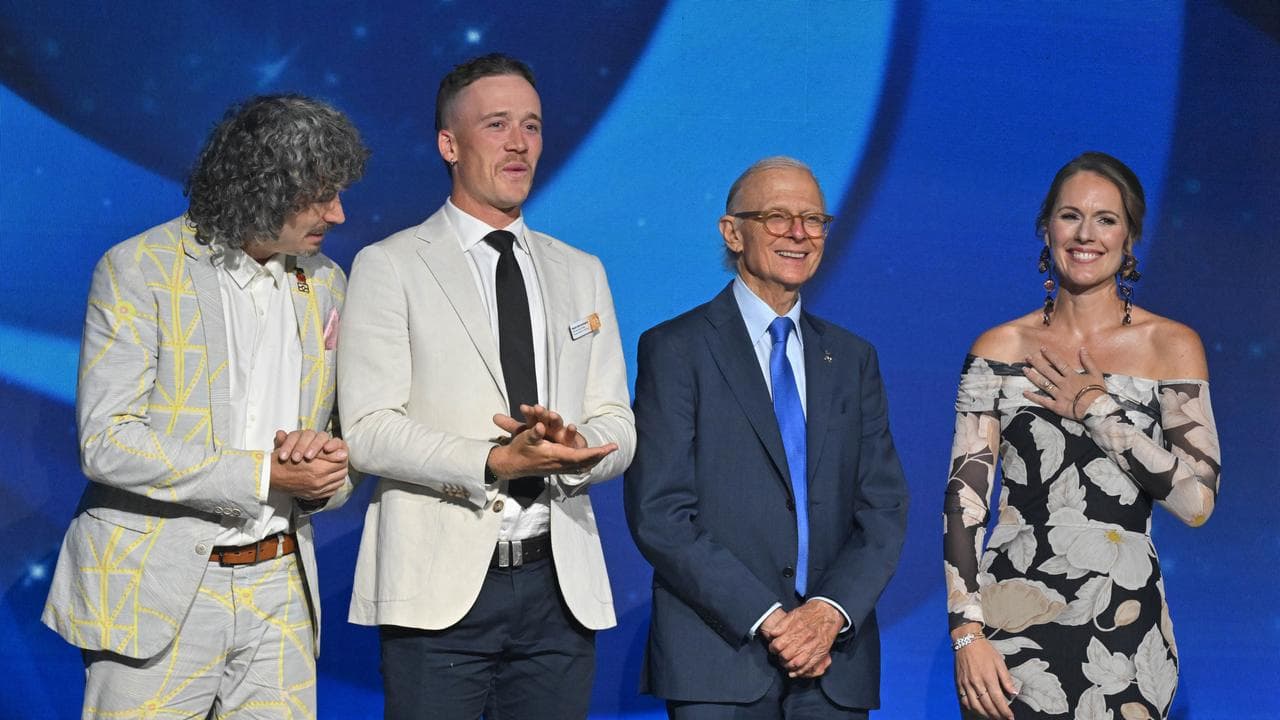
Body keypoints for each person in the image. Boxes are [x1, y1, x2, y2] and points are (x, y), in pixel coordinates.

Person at [41, 94, 369, 717]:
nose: (340, 213)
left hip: (280, 585)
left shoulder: (325, 281)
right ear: (265, 184)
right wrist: (264, 474)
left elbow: (336, 443)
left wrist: (327, 472)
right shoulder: (140, 268)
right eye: (322, 194)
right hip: (160, 587)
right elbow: (106, 439)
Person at [337, 53, 635, 719]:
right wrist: (492, 460)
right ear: (450, 143)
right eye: (497, 124)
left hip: (560, 588)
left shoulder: (580, 271)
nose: (519, 143)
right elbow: (367, 429)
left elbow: (620, 419)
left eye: (531, 125)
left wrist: (580, 445)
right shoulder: (390, 265)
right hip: (439, 593)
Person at [624, 156, 910, 719]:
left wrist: (828, 613)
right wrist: (771, 619)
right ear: (733, 232)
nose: (800, 234)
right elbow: (659, 511)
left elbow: (883, 508)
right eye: (778, 217)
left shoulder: (853, 358)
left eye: (814, 219)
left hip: (833, 663)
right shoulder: (676, 349)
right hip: (720, 656)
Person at [943, 151, 1221, 719]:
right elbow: (964, 502)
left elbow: (1196, 502)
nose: (1086, 234)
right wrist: (966, 633)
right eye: (1071, 216)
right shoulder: (998, 349)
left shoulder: (1171, 345)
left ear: (1130, 237)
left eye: (1106, 219)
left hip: (1123, 622)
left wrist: (1097, 408)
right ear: (1046, 229)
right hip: (1011, 625)